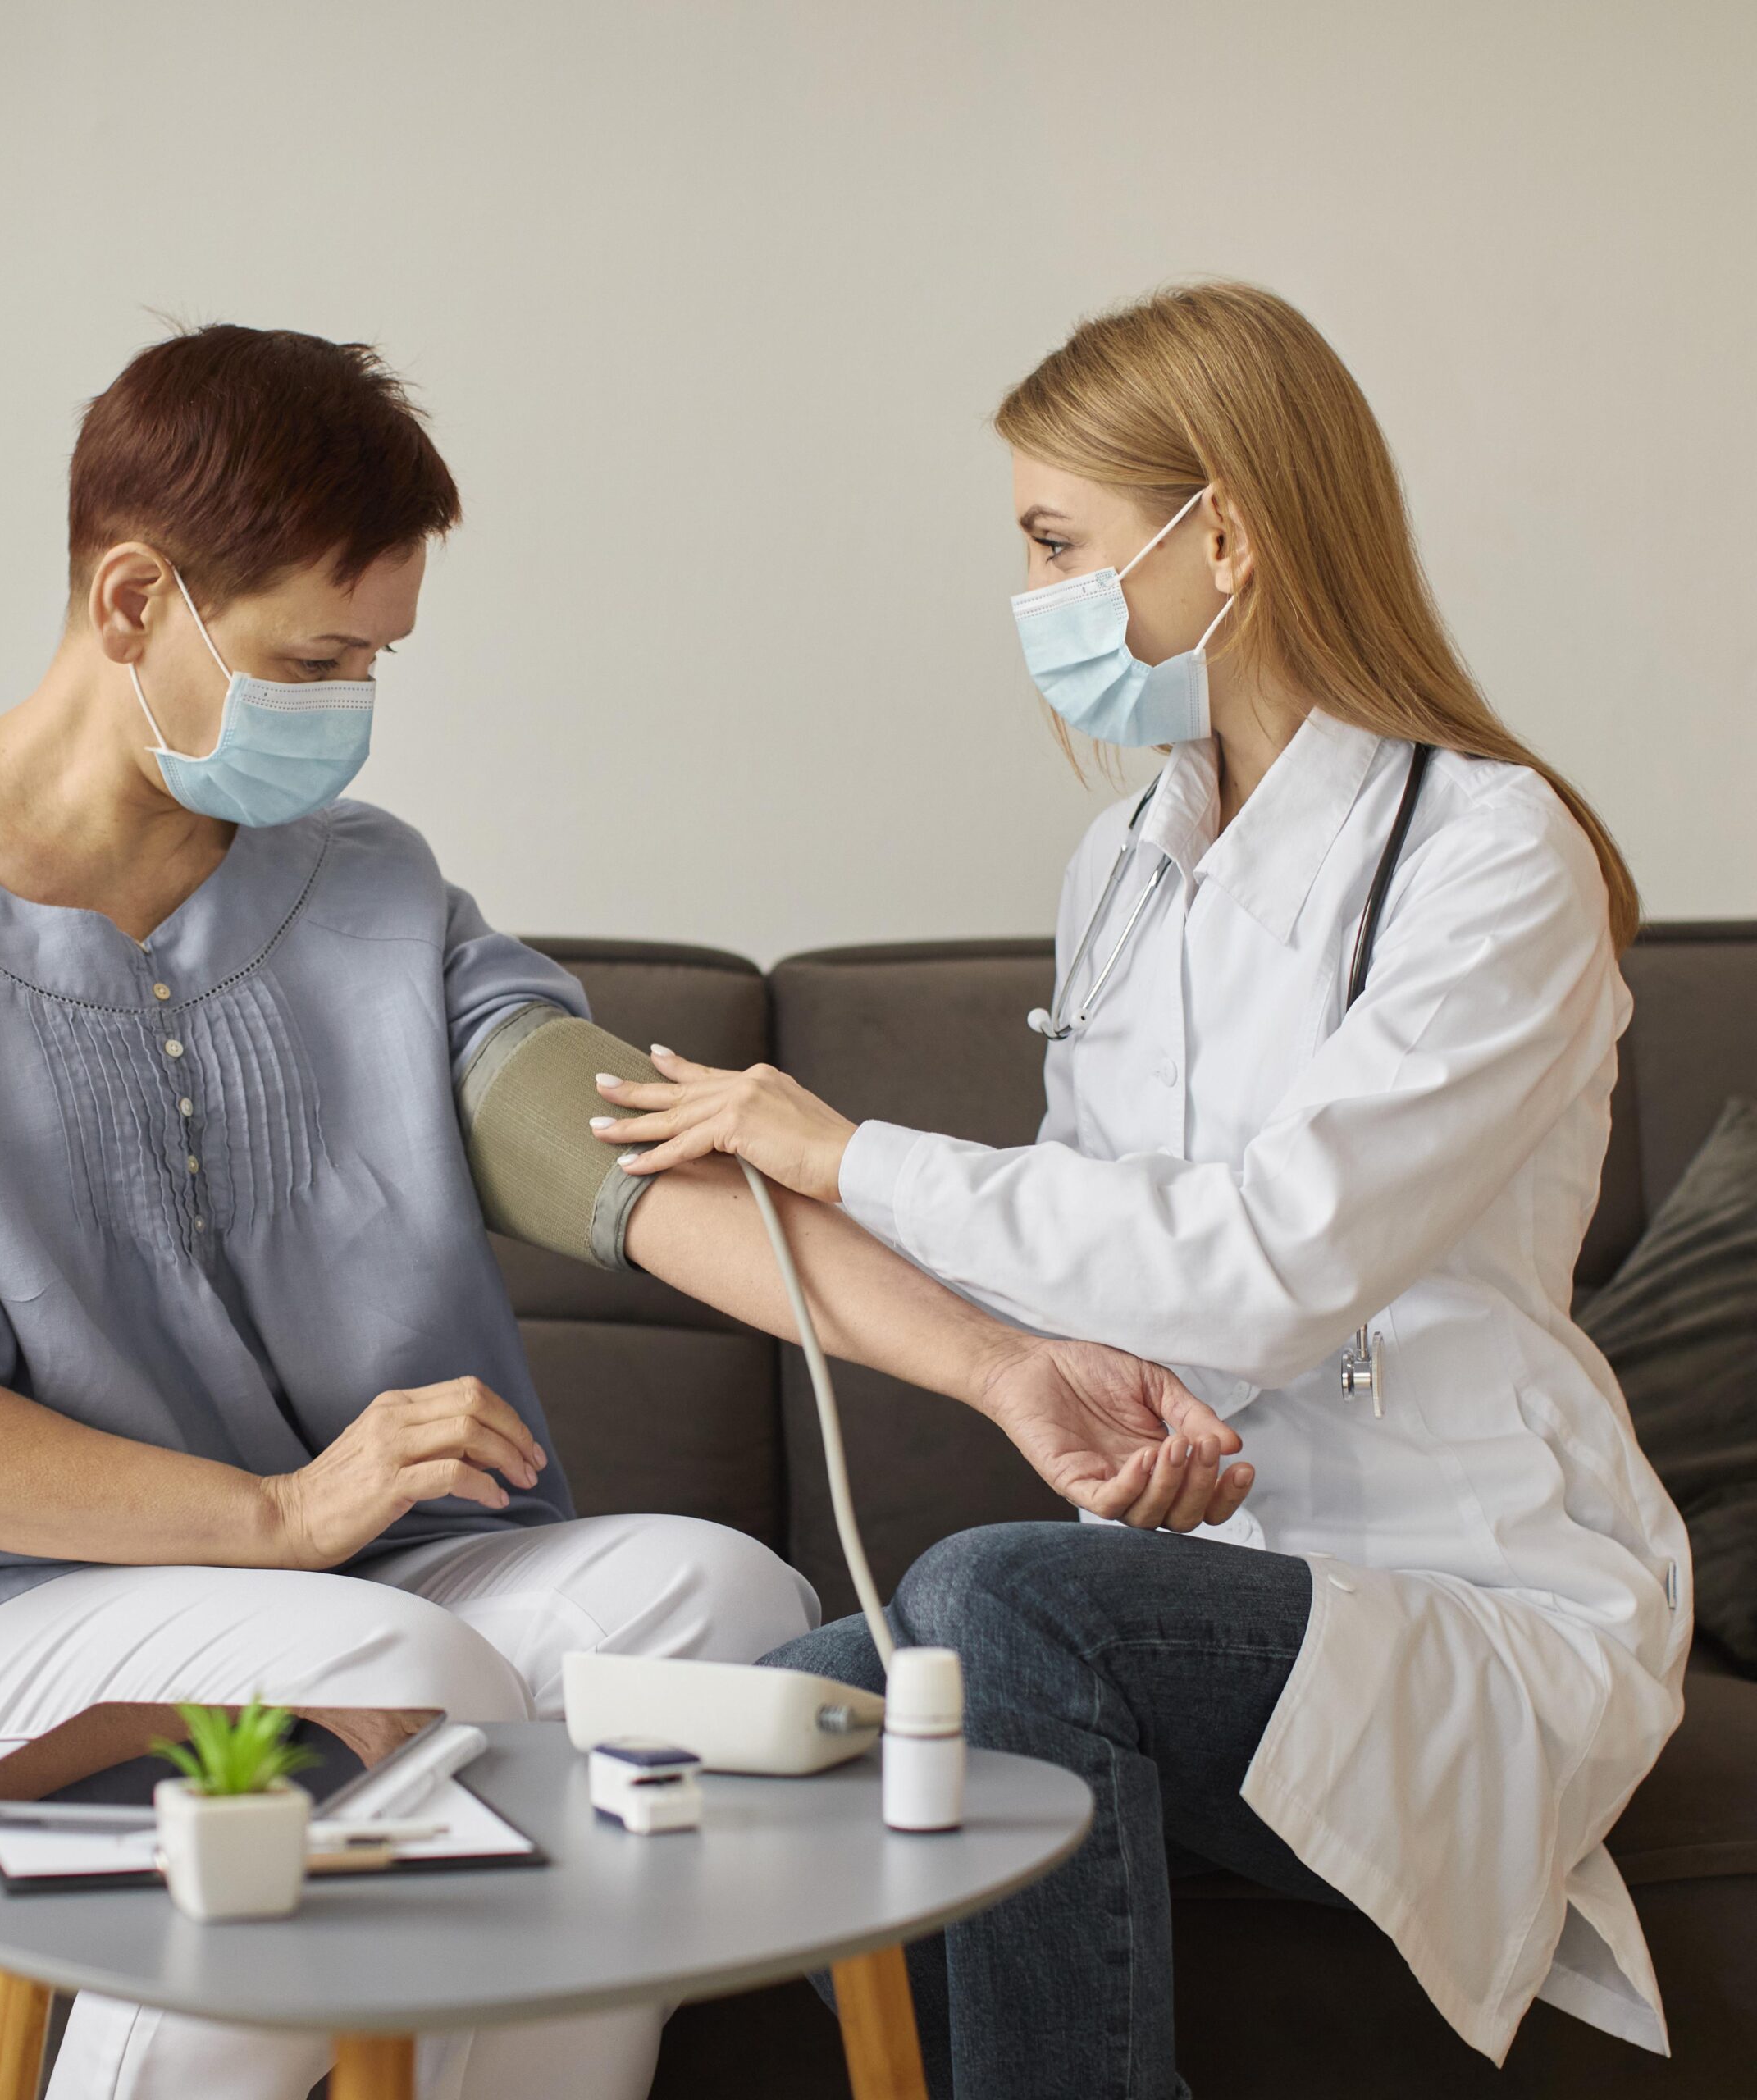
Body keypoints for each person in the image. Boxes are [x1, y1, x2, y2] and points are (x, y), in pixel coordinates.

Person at [0, 323, 1245, 2100]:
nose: (351, 704)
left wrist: (998, 1364)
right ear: (132, 602)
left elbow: (634, 1162)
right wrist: (275, 1511)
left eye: (376, 657)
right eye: (316, 653)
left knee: (715, 1601)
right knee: (373, 1662)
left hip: (349, 1582)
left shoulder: (367, 890)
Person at [591, 281, 1690, 2096]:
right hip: (1213, 1567)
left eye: (1054, 541)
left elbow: (1268, 1259)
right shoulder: (1123, 856)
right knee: (744, 1733)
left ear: (1228, 535)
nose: (1030, 597)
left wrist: (841, 1147)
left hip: (1464, 1594)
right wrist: (1133, 1410)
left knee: (999, 1604)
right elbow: (1116, 1261)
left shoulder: (1491, 852)